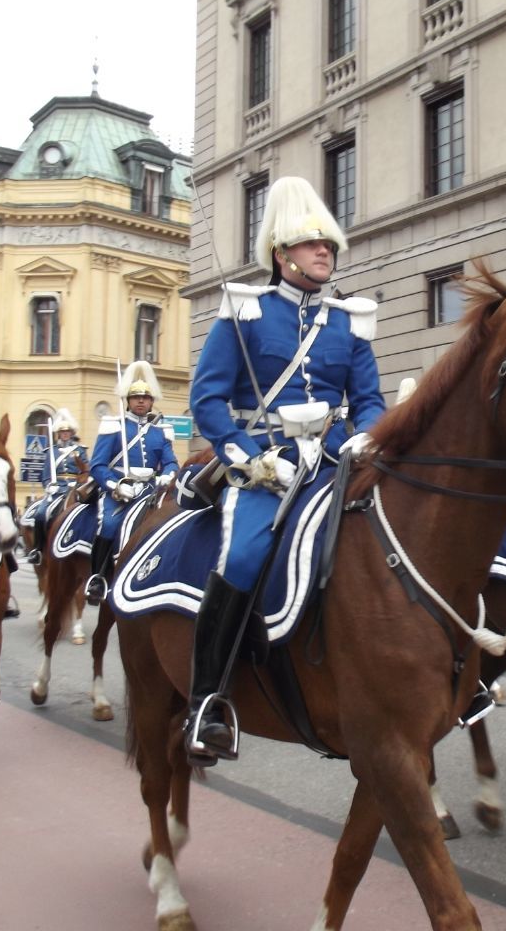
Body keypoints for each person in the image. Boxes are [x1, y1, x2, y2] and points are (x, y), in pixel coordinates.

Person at [186, 175, 386, 764]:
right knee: (243, 555)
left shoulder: (349, 321)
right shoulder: (246, 313)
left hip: (333, 460)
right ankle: (208, 700)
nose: (325, 251)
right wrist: (244, 457)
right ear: (281, 253)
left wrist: (362, 437)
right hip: (265, 466)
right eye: (311, 243)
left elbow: (368, 398)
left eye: (329, 244)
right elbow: (208, 399)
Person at [84, 362, 177, 604]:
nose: (140, 402)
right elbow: (97, 466)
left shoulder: (160, 431)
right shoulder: (114, 426)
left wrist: (168, 475)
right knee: (110, 525)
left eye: (145, 398)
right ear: (127, 400)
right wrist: (115, 486)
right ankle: (98, 579)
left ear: (151, 401)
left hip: (150, 490)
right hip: (120, 489)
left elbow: (170, 462)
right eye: (136, 397)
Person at [24, 409, 90, 565]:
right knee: (41, 514)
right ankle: (38, 549)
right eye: (62, 432)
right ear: (58, 434)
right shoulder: (50, 452)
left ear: (72, 433)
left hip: (76, 488)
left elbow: (87, 469)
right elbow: (45, 474)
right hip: (57, 489)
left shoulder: (80, 450)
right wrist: (49, 485)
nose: (65, 434)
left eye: (67, 431)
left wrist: (80, 483)